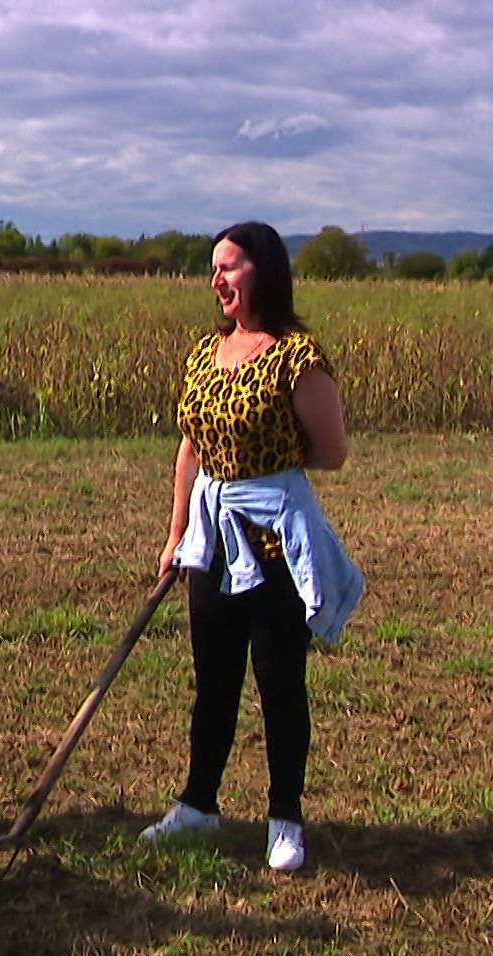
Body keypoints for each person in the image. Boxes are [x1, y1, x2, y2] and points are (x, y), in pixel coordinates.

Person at [143, 221, 363, 871]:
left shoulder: (298, 356)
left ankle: (285, 819)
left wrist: (266, 481)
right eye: (214, 268)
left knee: (279, 682)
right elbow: (190, 446)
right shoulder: (206, 354)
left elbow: (333, 452)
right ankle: (198, 806)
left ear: (262, 272)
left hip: (272, 541)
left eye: (230, 266)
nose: (217, 279)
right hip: (213, 540)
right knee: (214, 679)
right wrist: (178, 531)